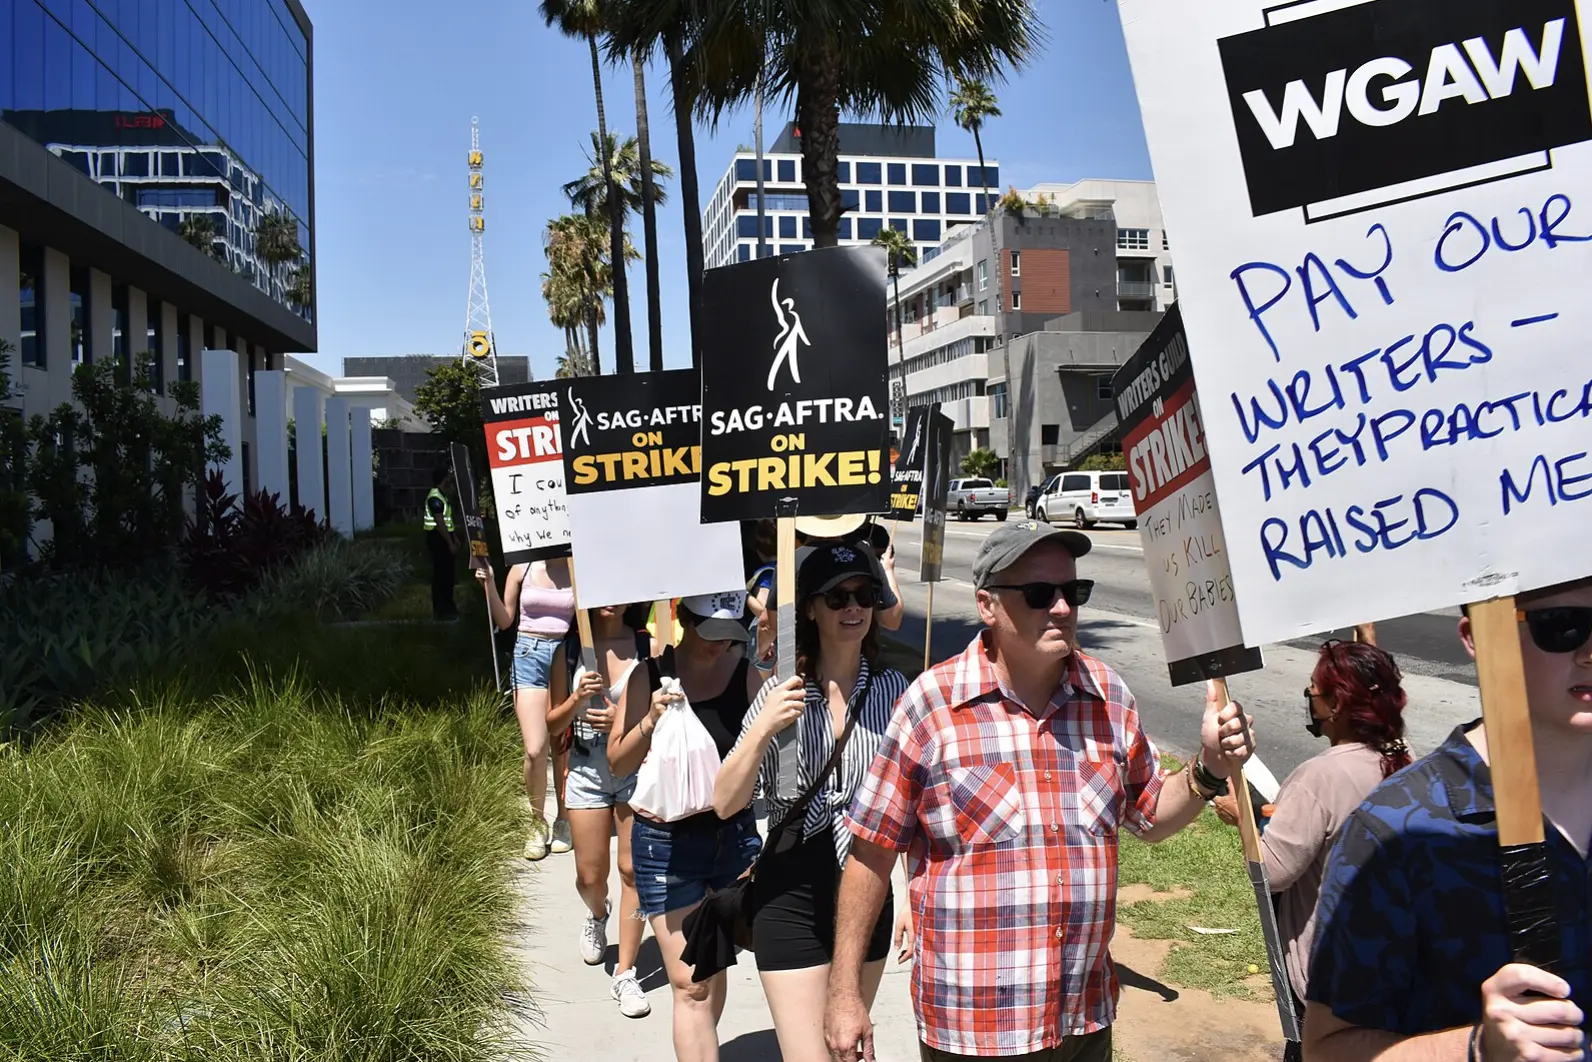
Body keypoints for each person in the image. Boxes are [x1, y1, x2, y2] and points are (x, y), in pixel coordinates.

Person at [823, 520, 1256, 1062]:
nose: (1061, 608)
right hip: (975, 1027)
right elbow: (871, 852)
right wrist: (844, 993)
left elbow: (1150, 816)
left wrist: (1209, 768)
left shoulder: (1107, 696)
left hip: (1082, 1018)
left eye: (1072, 592)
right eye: (1038, 594)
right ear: (987, 605)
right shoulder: (931, 707)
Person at [1302, 576, 1592, 1062]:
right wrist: (1477, 1047)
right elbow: (1327, 1048)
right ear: (1477, 635)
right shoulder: (1396, 832)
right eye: (1562, 626)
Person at [713, 543, 910, 1062]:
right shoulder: (783, 692)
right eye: (838, 596)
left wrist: (908, 896)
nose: (853, 608)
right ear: (810, 609)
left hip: (867, 891)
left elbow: (912, 800)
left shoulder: (895, 691)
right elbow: (725, 802)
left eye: (864, 595)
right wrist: (762, 728)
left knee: (848, 1049)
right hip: (789, 891)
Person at [1210, 640, 1411, 1061]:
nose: (1310, 701)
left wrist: (1243, 818)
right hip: (1394, 972)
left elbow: (1274, 872)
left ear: (1336, 704)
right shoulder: (1406, 760)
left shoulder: (1321, 776)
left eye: (1313, 692)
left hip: (1330, 981)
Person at [609, 591, 771, 1062]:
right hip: (666, 844)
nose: (719, 646)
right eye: (710, 636)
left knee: (713, 965)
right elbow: (619, 762)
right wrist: (650, 720)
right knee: (690, 981)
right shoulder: (649, 675)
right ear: (684, 621)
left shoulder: (745, 675)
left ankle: (702, 1042)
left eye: (729, 637)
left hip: (732, 838)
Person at [546, 601, 654, 1019]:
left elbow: (665, 710)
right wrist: (576, 699)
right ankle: (597, 913)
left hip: (635, 767)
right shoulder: (569, 650)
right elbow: (553, 724)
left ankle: (626, 972)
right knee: (590, 875)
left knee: (633, 870)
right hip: (587, 769)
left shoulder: (647, 646)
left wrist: (626, 723)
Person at [477, 557, 577, 860]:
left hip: (564, 652)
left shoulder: (576, 565)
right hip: (528, 653)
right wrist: (489, 583)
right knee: (535, 749)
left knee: (562, 743)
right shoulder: (524, 566)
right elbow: (505, 619)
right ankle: (536, 822)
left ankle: (563, 819)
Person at [424, 467, 459, 621]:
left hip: (444, 538)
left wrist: (454, 536)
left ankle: (448, 606)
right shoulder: (435, 498)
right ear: (443, 479)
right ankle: (442, 610)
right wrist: (450, 543)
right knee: (441, 575)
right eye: (448, 479)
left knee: (448, 574)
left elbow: (447, 521)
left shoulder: (442, 496)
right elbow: (440, 523)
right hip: (437, 539)